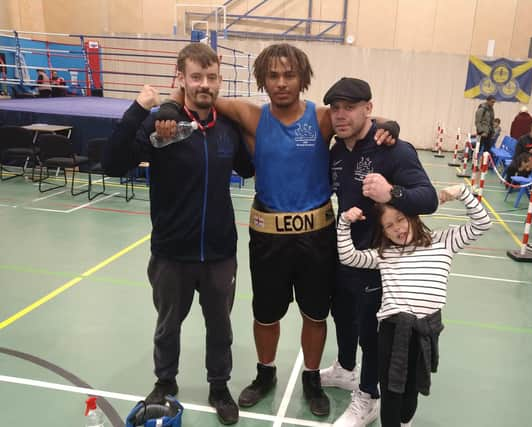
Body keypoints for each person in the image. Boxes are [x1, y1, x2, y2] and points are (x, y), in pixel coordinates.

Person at [162, 43, 396, 417]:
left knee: (315, 314)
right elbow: (198, 93)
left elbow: (362, 121)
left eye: (289, 74)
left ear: (303, 78)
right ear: (263, 80)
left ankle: (312, 378)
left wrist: (388, 127)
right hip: (268, 236)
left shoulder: (321, 119)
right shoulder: (252, 116)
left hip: (317, 236)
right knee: (266, 314)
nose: (282, 82)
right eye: (273, 75)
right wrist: (172, 106)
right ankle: (265, 373)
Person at [102, 43, 254, 425]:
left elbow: (249, 168)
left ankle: (219, 386)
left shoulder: (227, 128)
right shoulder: (162, 125)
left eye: (212, 77)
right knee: (168, 324)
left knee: (221, 326)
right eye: (196, 77)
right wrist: (141, 110)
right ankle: (164, 382)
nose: (205, 84)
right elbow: (113, 164)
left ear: (220, 79)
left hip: (220, 251)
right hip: (171, 251)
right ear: (181, 78)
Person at [321, 77, 439, 427]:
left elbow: (428, 198)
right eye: (335, 108)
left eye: (350, 107)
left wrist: (392, 194)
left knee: (370, 335)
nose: (341, 115)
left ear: (369, 108)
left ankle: (368, 397)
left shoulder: (394, 149)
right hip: (345, 254)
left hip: (379, 262)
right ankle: (345, 368)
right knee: (341, 316)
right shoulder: (338, 149)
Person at [337, 184, 491, 427]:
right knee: (391, 390)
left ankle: (405, 421)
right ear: (384, 233)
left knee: (413, 387)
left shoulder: (444, 241)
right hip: (393, 330)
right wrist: (345, 222)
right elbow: (348, 256)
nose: (397, 228)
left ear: (413, 216)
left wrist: (461, 192)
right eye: (389, 226)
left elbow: (482, 223)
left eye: (400, 219)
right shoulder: (384, 254)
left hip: (426, 330)